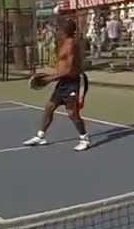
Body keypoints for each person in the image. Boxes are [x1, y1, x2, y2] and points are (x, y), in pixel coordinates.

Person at [23, 18, 90, 152]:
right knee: (49, 107)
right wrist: (51, 76)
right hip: (63, 81)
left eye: (59, 29)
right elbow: (62, 67)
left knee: (72, 113)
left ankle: (84, 139)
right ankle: (40, 136)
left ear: (65, 31)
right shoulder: (62, 43)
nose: (56, 31)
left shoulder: (71, 45)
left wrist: (49, 79)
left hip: (74, 82)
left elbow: (69, 70)